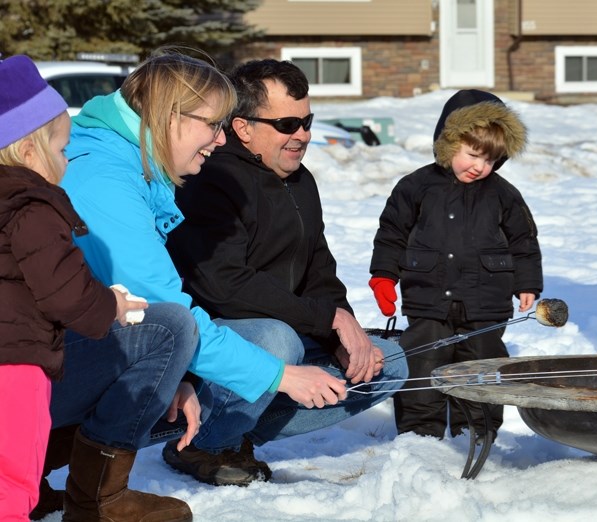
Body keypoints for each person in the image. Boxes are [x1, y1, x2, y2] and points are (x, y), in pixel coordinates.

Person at [51, 48, 353, 518]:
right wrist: (281, 377)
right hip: (23, 368)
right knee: (175, 327)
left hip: (55, 351)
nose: (218, 140)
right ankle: (96, 500)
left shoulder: (131, 163)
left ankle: (50, 480)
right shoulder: (106, 178)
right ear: (171, 116)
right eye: (212, 125)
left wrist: (172, 371)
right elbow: (159, 310)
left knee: (173, 334)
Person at [163, 59, 408, 486]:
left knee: (389, 363)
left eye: (307, 121)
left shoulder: (299, 180)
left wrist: (344, 336)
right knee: (278, 341)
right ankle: (201, 441)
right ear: (242, 127)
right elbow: (223, 285)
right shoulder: (211, 178)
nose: (303, 135)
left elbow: (319, 270)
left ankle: (235, 433)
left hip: (290, 334)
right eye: (288, 123)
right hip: (212, 346)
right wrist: (325, 319)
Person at [0, 55, 149, 521]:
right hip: (16, 365)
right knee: (13, 475)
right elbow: (64, 290)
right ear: (29, 151)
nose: (67, 161)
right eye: (62, 150)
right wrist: (113, 305)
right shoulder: (32, 209)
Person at [369, 89, 542, 440]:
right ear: (448, 143)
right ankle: (420, 435)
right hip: (429, 299)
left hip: (485, 302)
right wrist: (383, 277)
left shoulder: (503, 194)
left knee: (480, 366)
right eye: (473, 154)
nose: (479, 166)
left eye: (490, 160)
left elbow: (524, 240)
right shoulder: (415, 187)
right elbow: (392, 233)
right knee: (422, 365)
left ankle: (477, 432)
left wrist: (527, 282)